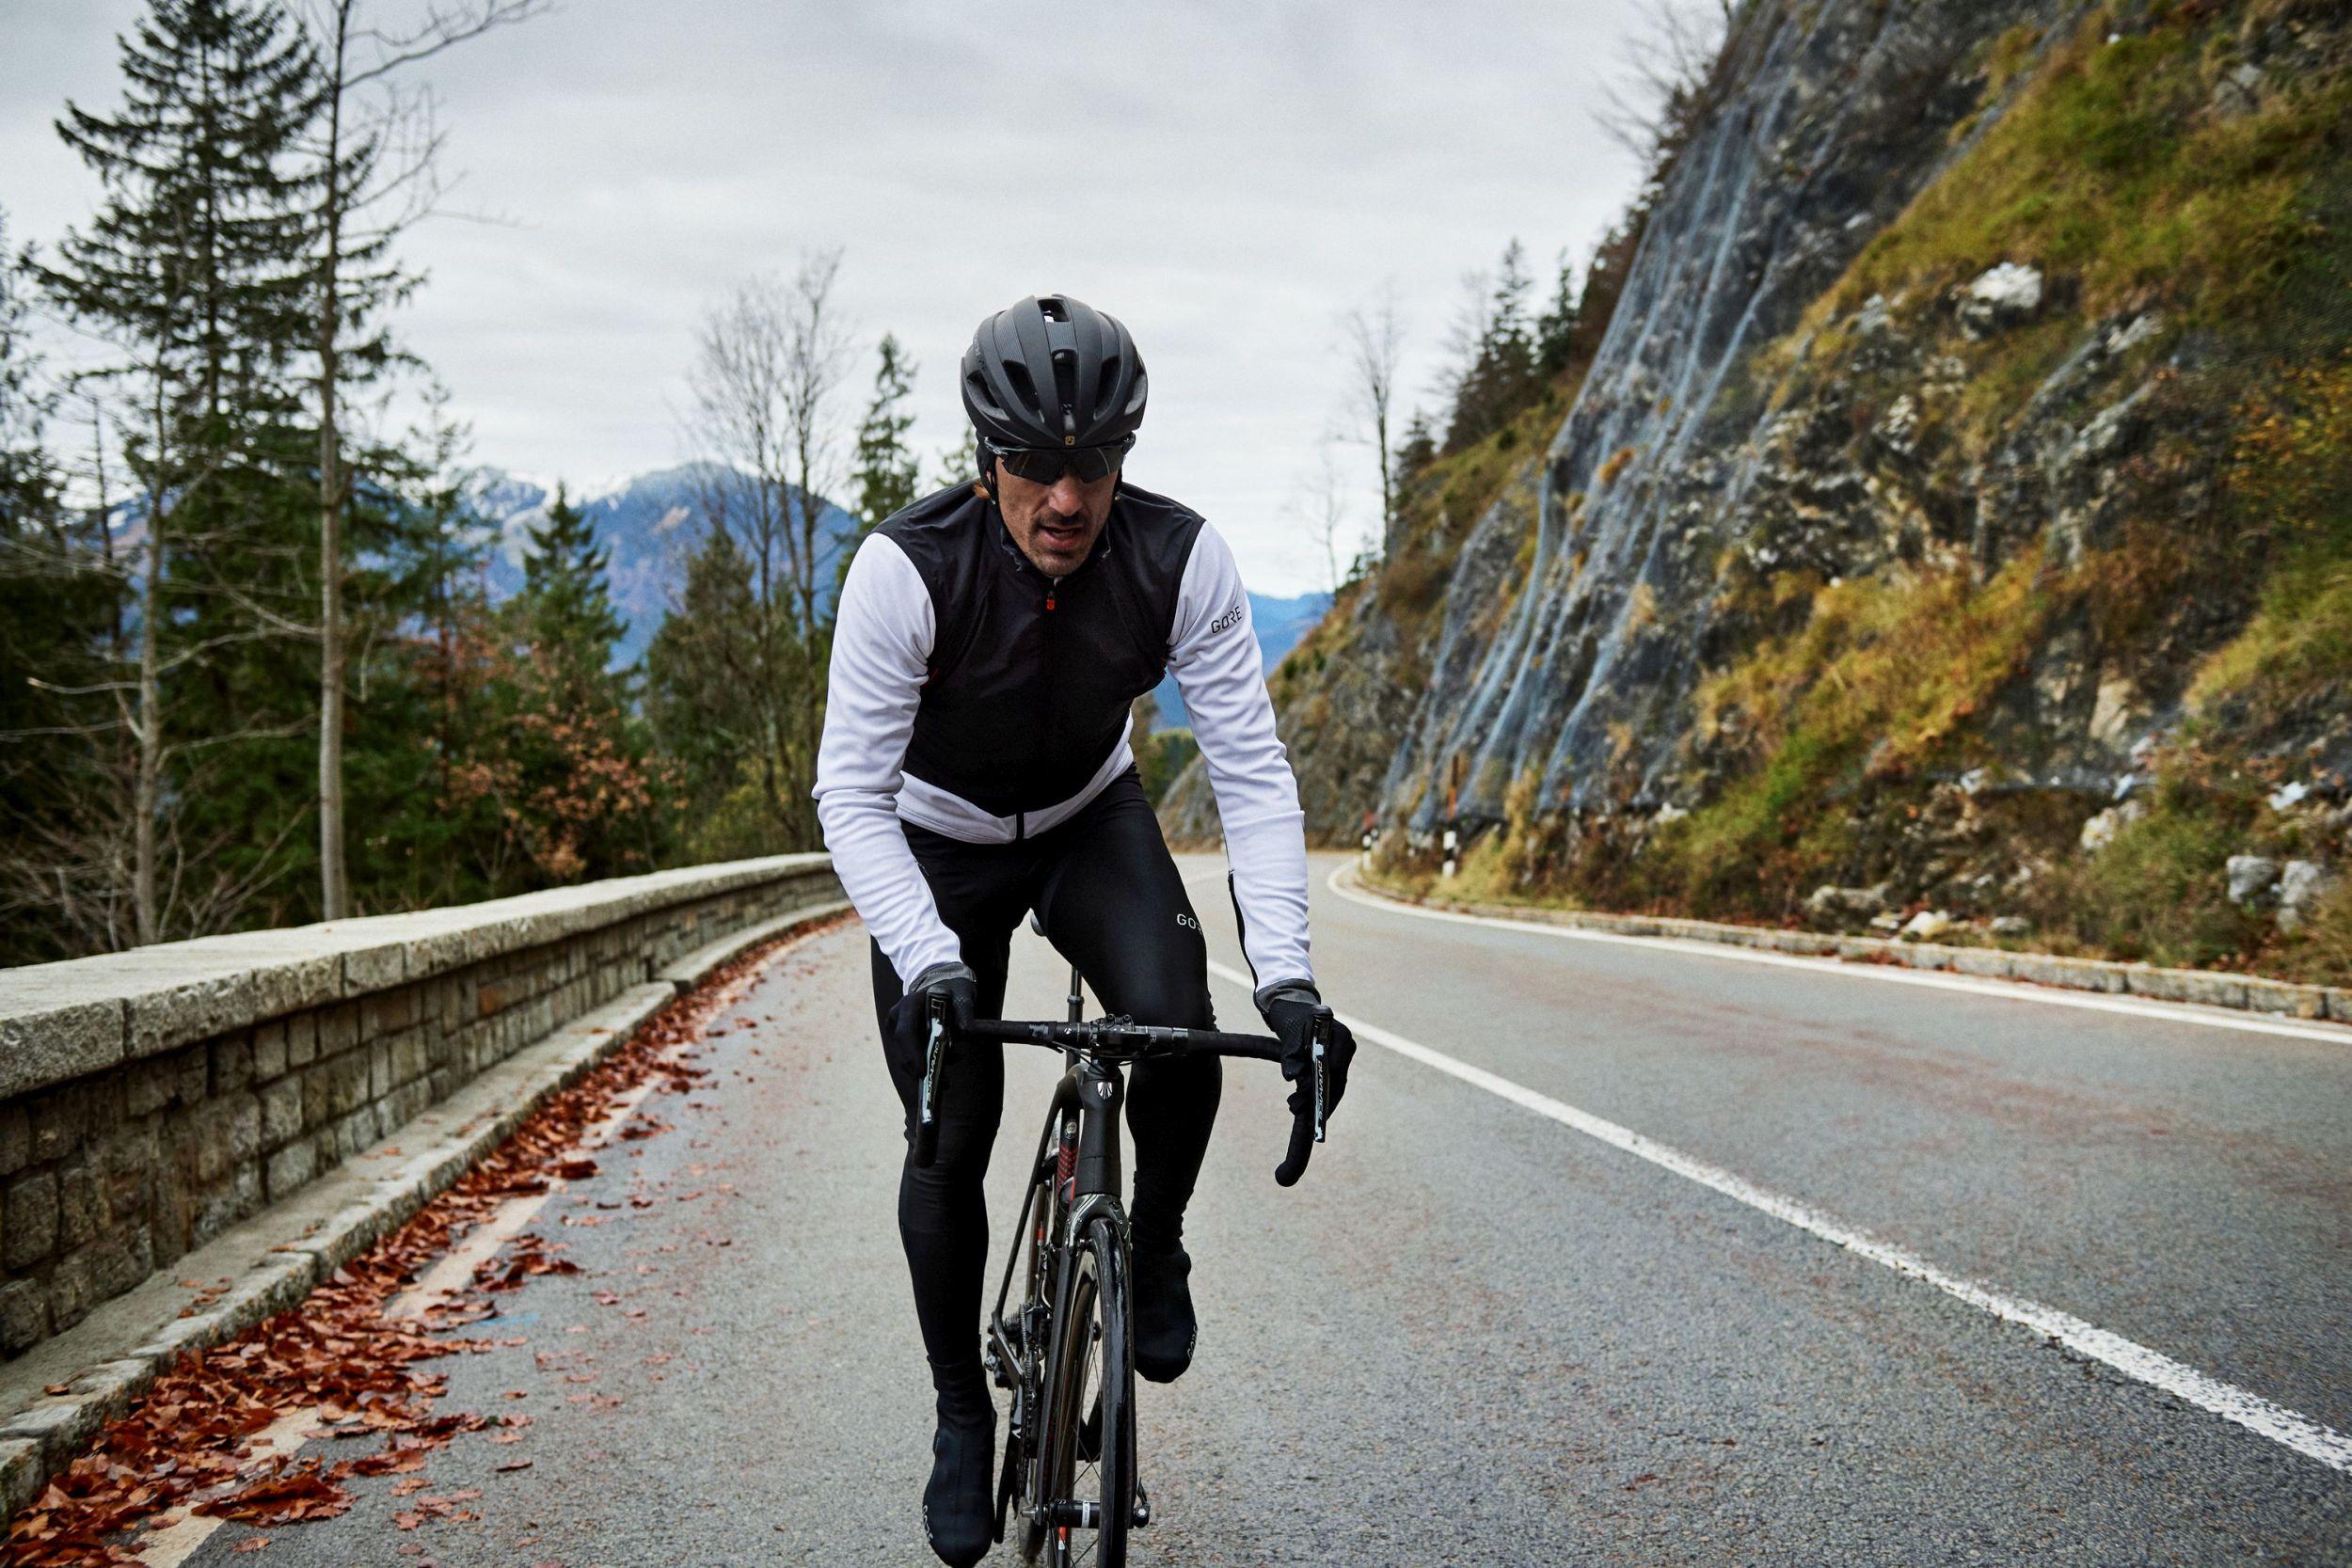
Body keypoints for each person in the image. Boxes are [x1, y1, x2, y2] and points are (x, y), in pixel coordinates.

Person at [813, 293, 1358, 1566]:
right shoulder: (909, 568)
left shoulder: (1181, 561)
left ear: (1126, 457)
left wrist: (1287, 976)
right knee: (948, 1126)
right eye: (1035, 467)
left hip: (1084, 815)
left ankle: (1152, 1240)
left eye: (1095, 465)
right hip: (937, 837)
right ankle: (961, 1413)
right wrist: (928, 957)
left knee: (1178, 1019)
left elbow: (1255, 777)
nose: (1066, 496)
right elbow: (849, 789)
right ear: (984, 458)